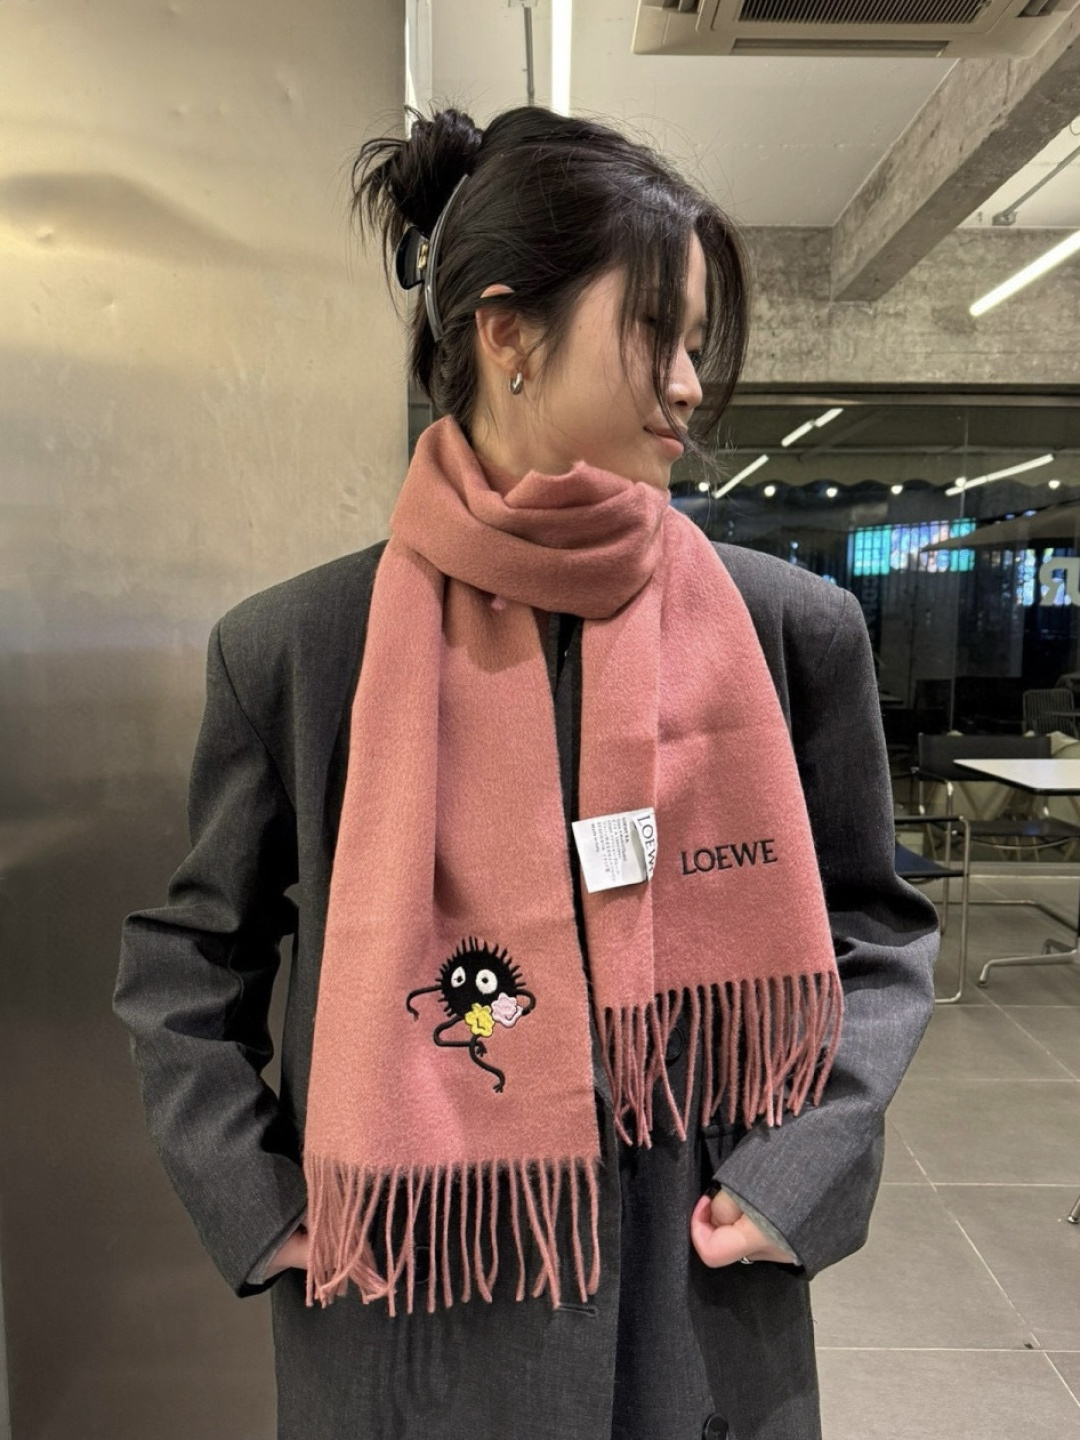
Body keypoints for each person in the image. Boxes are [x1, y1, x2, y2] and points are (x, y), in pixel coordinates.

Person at [113, 102, 940, 1440]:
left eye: (696, 344)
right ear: (508, 334)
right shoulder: (300, 650)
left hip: (696, 1304)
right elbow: (187, 963)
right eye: (656, 333)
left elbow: (878, 931)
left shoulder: (787, 632)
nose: (689, 383)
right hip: (411, 1314)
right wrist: (255, 1203)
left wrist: (798, 1174)